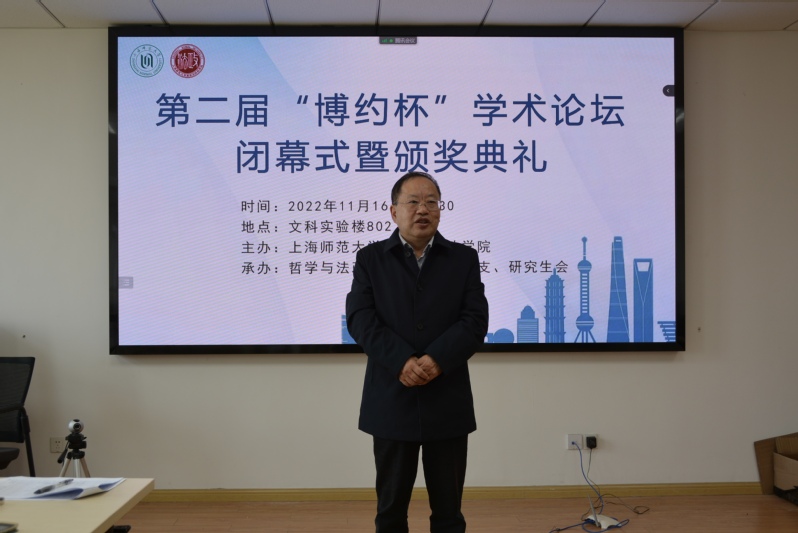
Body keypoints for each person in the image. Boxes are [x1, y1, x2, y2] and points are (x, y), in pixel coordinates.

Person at [345, 171, 489, 533]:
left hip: (447, 396)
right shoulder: (370, 259)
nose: (423, 209)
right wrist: (402, 361)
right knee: (390, 512)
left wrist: (437, 359)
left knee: (449, 514)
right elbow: (361, 319)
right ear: (394, 211)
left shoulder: (463, 259)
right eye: (413, 202)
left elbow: (474, 320)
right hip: (392, 396)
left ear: (440, 210)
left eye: (431, 202)